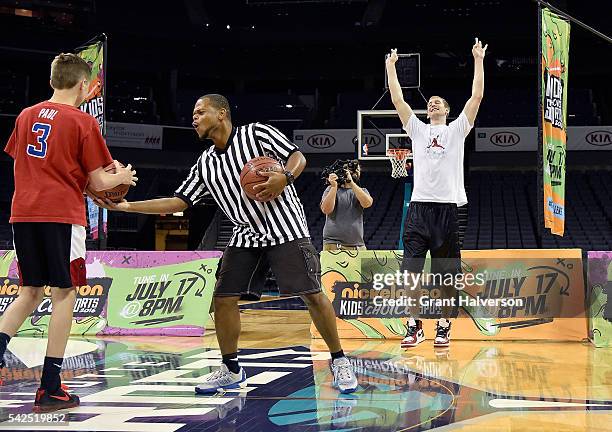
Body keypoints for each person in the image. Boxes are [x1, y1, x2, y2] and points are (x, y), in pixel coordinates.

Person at [94, 94, 359, 394]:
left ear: (221, 114)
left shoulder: (256, 134)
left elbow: (298, 157)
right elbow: (179, 200)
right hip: (245, 233)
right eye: (193, 113)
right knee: (223, 298)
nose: (193, 118)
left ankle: (339, 360)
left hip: (286, 229)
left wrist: (284, 177)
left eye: (200, 112)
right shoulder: (205, 163)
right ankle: (231, 368)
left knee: (312, 295)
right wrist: (128, 207)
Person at [0, 53, 137, 412]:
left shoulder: (26, 115)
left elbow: (31, 161)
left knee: (28, 292)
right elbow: (98, 181)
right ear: (83, 86)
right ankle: (49, 387)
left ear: (51, 81)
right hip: (61, 215)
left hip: (23, 212)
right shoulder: (83, 122)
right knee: (65, 294)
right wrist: (122, 178)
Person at [385, 38, 487, 348]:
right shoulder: (417, 129)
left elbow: (477, 95)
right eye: (430, 101)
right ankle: (413, 326)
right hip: (418, 209)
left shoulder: (457, 129)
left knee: (446, 276)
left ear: (447, 110)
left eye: (439, 101)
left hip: (448, 210)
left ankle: (443, 326)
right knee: (409, 275)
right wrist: (391, 68)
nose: (433, 103)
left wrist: (478, 59)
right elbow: (398, 100)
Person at [320, 161, 373, 250]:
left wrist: (351, 183)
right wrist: (333, 187)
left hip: (358, 245)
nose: (355, 172)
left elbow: (367, 203)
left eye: (357, 170)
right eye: (351, 170)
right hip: (334, 244)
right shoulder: (331, 189)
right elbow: (326, 210)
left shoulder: (362, 190)